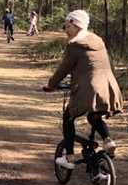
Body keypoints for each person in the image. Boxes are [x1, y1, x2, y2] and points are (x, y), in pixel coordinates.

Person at [43, 9, 123, 169]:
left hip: (89, 88)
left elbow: (63, 69)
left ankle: (69, 158)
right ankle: (108, 141)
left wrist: (51, 85)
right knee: (93, 116)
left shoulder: (75, 45)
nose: (65, 30)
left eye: (66, 26)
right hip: (109, 86)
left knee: (68, 118)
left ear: (75, 25)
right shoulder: (98, 40)